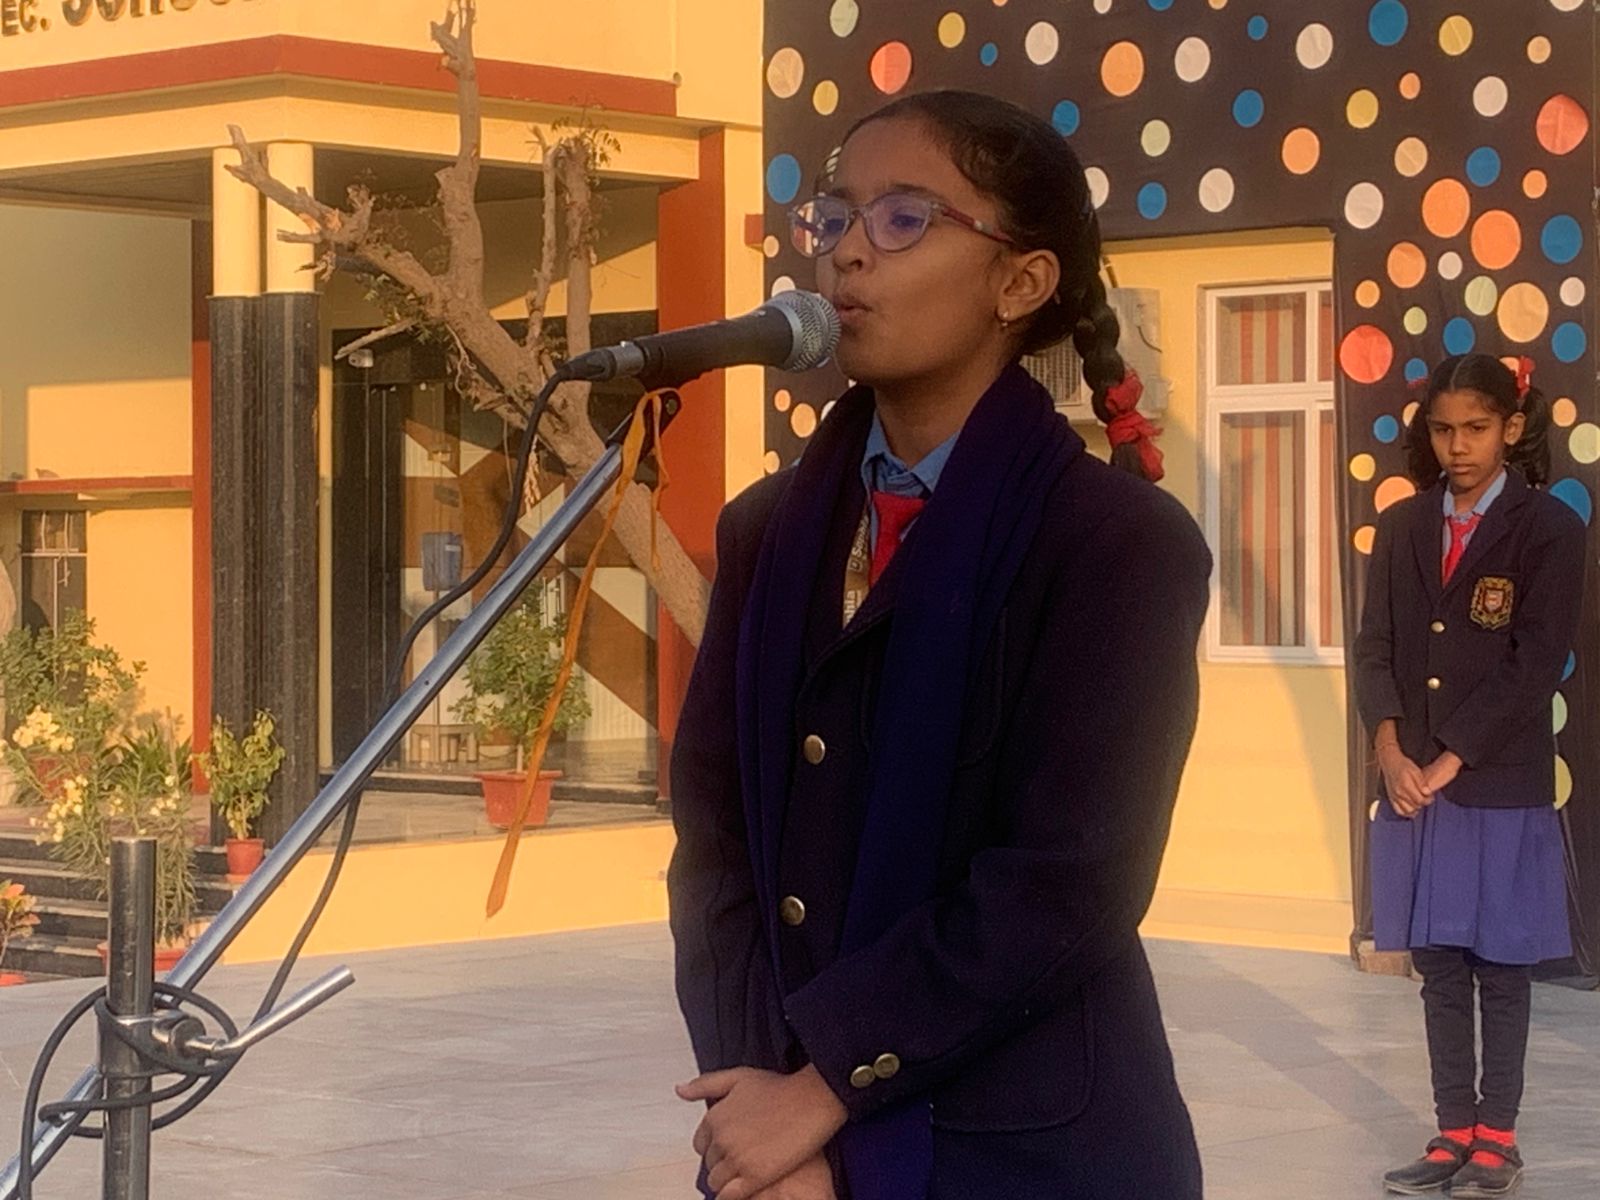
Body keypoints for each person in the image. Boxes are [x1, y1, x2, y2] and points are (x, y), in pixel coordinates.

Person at [666, 90, 1210, 1200]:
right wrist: (759, 1113)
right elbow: (714, 845)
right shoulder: (766, 532)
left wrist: (825, 1089)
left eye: (904, 218)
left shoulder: (1115, 542)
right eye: (835, 216)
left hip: (1025, 1147)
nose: (847, 252)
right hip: (782, 1143)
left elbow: (1065, 881)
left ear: (1021, 282)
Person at [1355, 353, 1586, 1198]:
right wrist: (1391, 751)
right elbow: (1374, 646)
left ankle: (1499, 1138)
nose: (1458, 446)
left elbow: (1535, 662)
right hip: (1412, 782)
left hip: (1494, 781)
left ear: (1511, 429)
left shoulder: (1550, 528)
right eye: (1444, 430)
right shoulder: (1403, 525)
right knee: (1440, 963)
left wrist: (1448, 757)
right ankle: (1452, 1130)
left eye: (1477, 429)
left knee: (1501, 963)